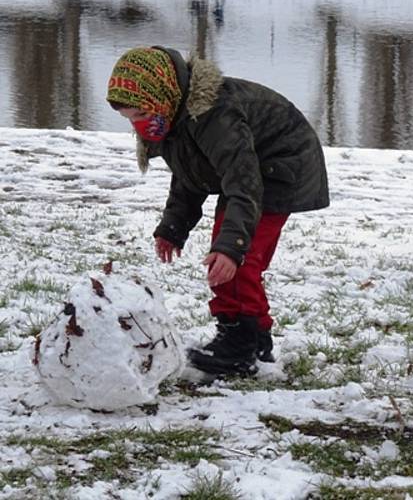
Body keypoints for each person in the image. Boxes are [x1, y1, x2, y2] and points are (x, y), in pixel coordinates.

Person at [106, 46, 329, 377]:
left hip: (280, 169)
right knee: (231, 257)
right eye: (130, 119)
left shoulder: (215, 116)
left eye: (140, 114)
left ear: (161, 96)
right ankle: (239, 334)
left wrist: (230, 248)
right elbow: (190, 174)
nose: (138, 126)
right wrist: (173, 227)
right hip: (247, 174)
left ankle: (246, 345)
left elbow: (244, 183)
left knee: (237, 257)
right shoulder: (174, 116)